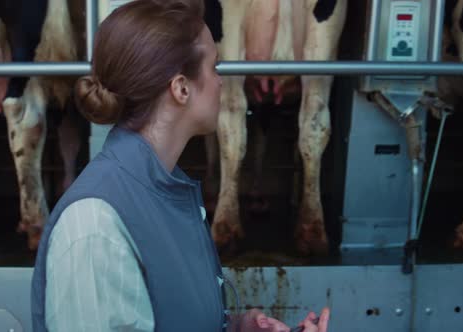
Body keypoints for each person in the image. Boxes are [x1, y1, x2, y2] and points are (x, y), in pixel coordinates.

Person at [30, 0, 330, 331]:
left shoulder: (167, 190)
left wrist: (236, 328)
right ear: (181, 88)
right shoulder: (94, 225)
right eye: (215, 67)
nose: (220, 81)